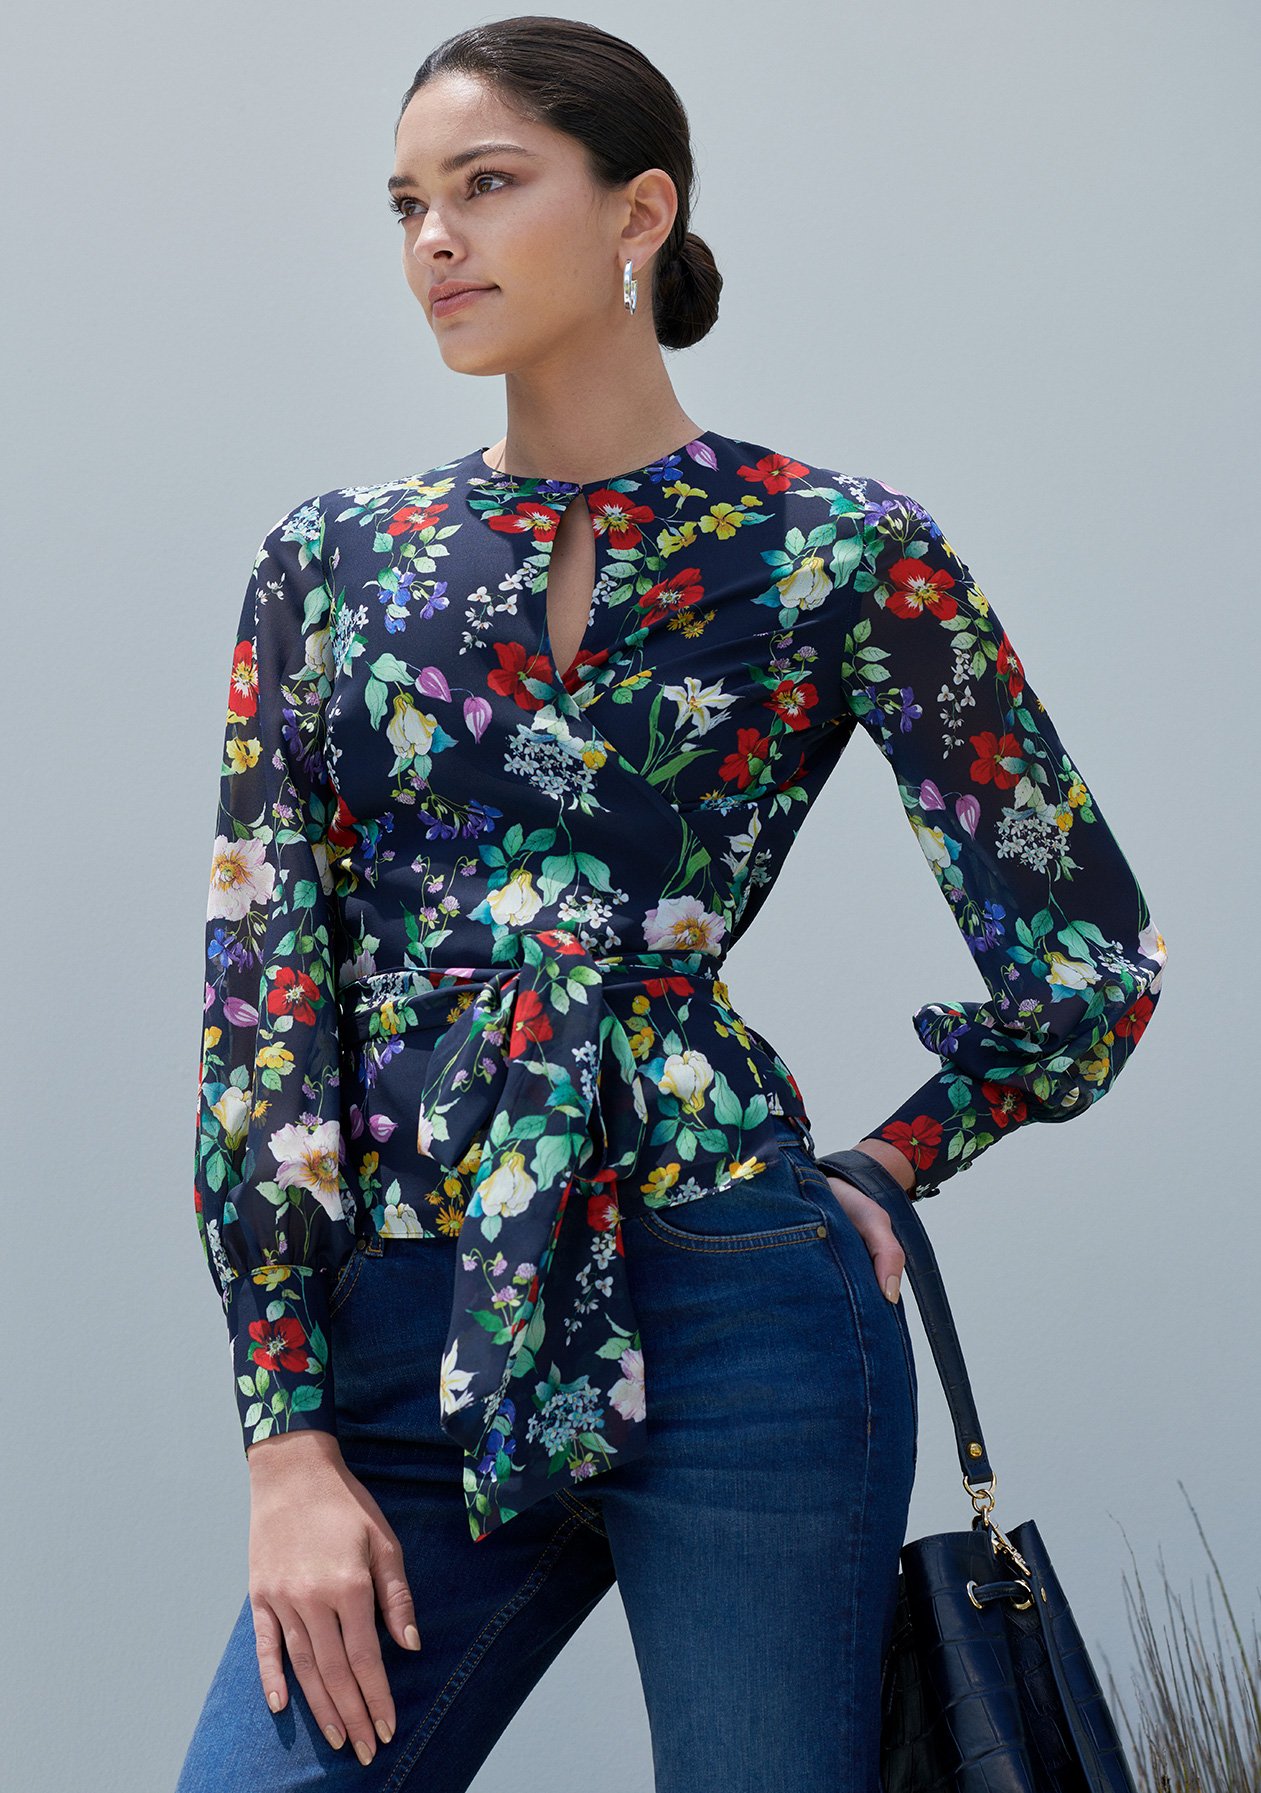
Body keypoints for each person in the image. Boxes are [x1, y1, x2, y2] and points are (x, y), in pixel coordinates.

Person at [175, 16, 1167, 1793]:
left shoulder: (837, 546)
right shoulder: (330, 564)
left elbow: (1085, 958)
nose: (435, 243)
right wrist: (283, 1439)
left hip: (742, 1306)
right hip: (411, 1311)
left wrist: (889, 1157)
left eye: (486, 188)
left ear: (640, 213)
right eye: (407, 202)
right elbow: (267, 1004)